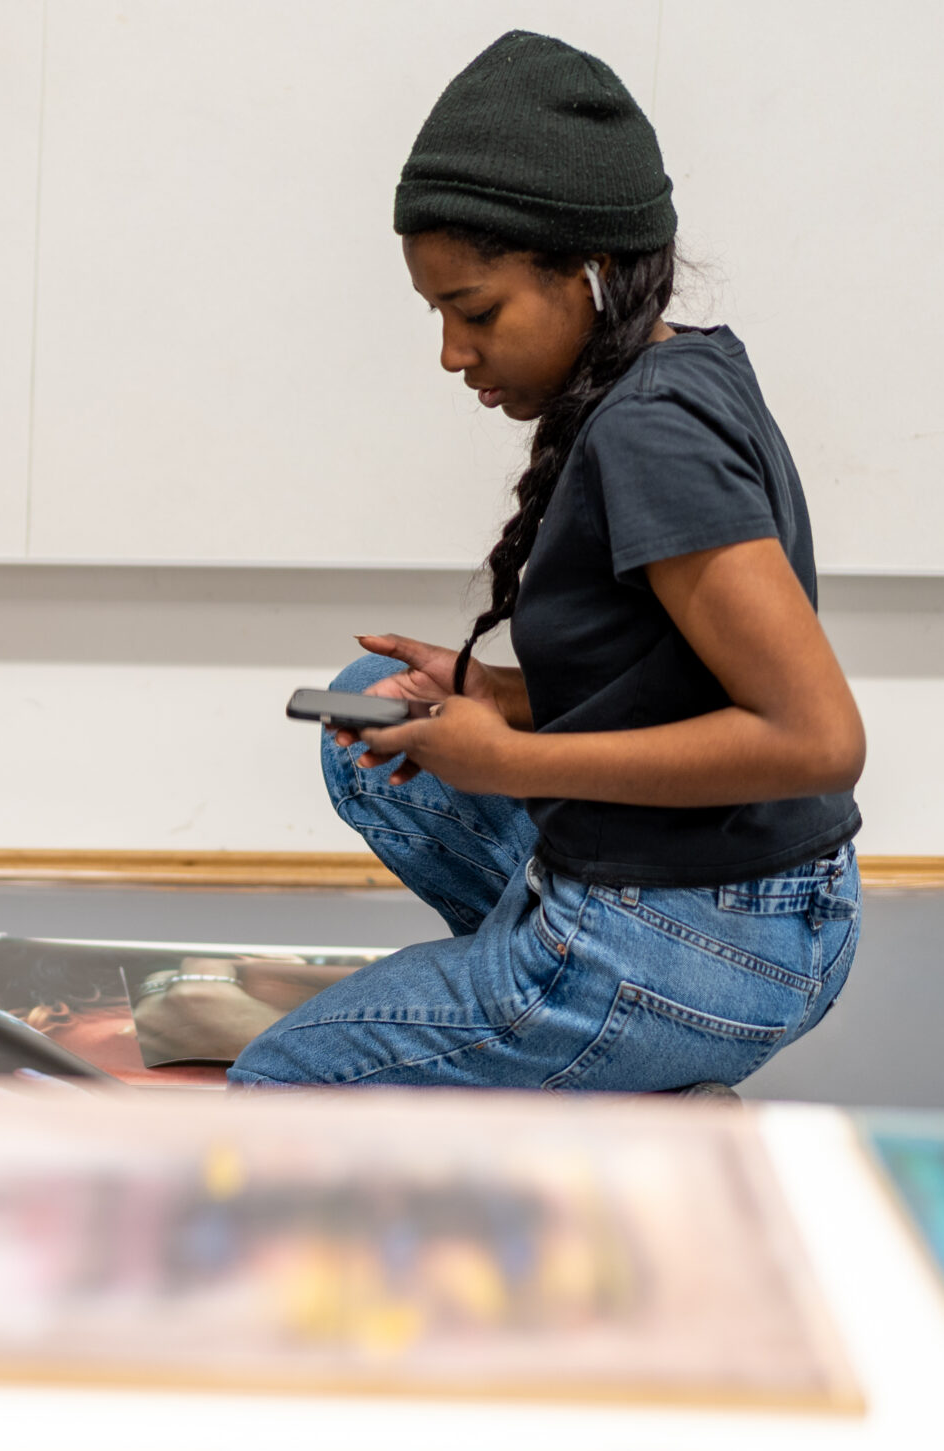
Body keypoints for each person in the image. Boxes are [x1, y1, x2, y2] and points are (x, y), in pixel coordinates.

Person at [231, 31, 865, 1093]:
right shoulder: (674, 371)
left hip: (716, 940)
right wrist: (495, 697)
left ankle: (603, 1035)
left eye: (474, 311)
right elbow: (665, 679)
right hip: (744, 903)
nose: (450, 352)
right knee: (364, 716)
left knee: (286, 1082)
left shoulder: (650, 435)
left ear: (590, 271)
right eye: (437, 313)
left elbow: (816, 740)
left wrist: (513, 760)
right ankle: (580, 1050)